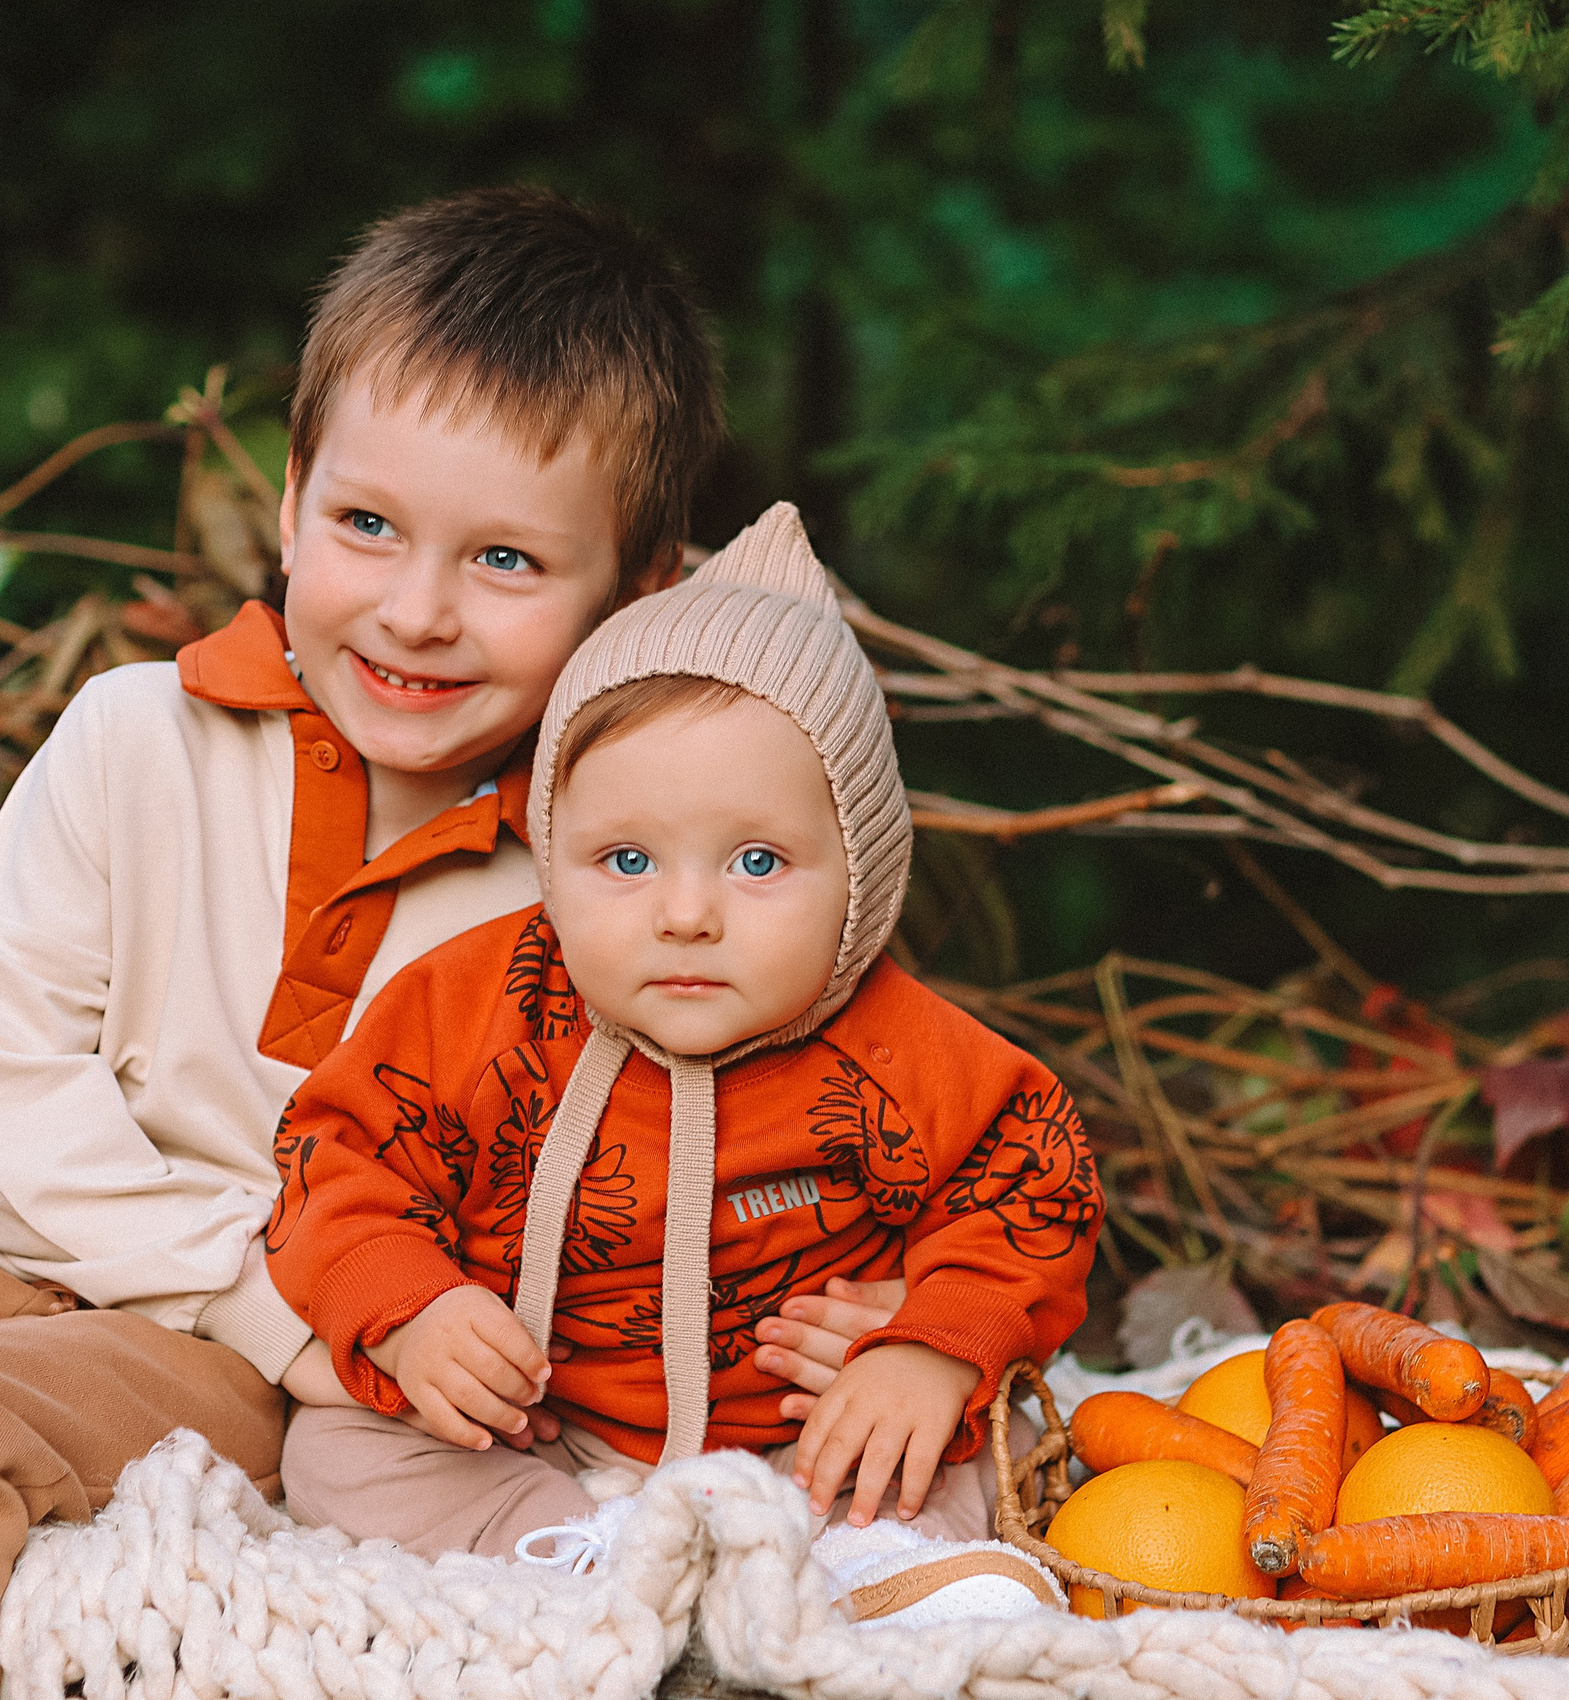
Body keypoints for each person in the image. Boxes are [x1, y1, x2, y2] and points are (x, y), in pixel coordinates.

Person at [0, 188, 889, 1700]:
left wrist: (875, 1306)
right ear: (289, 496)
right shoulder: (136, 737)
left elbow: (719, 1153)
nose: (415, 612)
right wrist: (232, 1279)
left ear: (637, 595)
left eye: (505, 564)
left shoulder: (601, 893)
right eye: (367, 526)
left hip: (271, 1354)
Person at [263, 502, 1103, 1594]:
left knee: (939, 1457)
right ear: (553, 855)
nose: (688, 913)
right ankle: (578, 1557)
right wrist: (412, 1309)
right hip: (536, 1433)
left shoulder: (913, 1056)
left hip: (798, 1444)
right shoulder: (475, 1007)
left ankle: (865, 1576)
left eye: (757, 862)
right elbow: (338, 1154)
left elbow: (1032, 1190)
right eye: (624, 860)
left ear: (863, 874)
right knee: (335, 1450)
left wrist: (931, 1346)